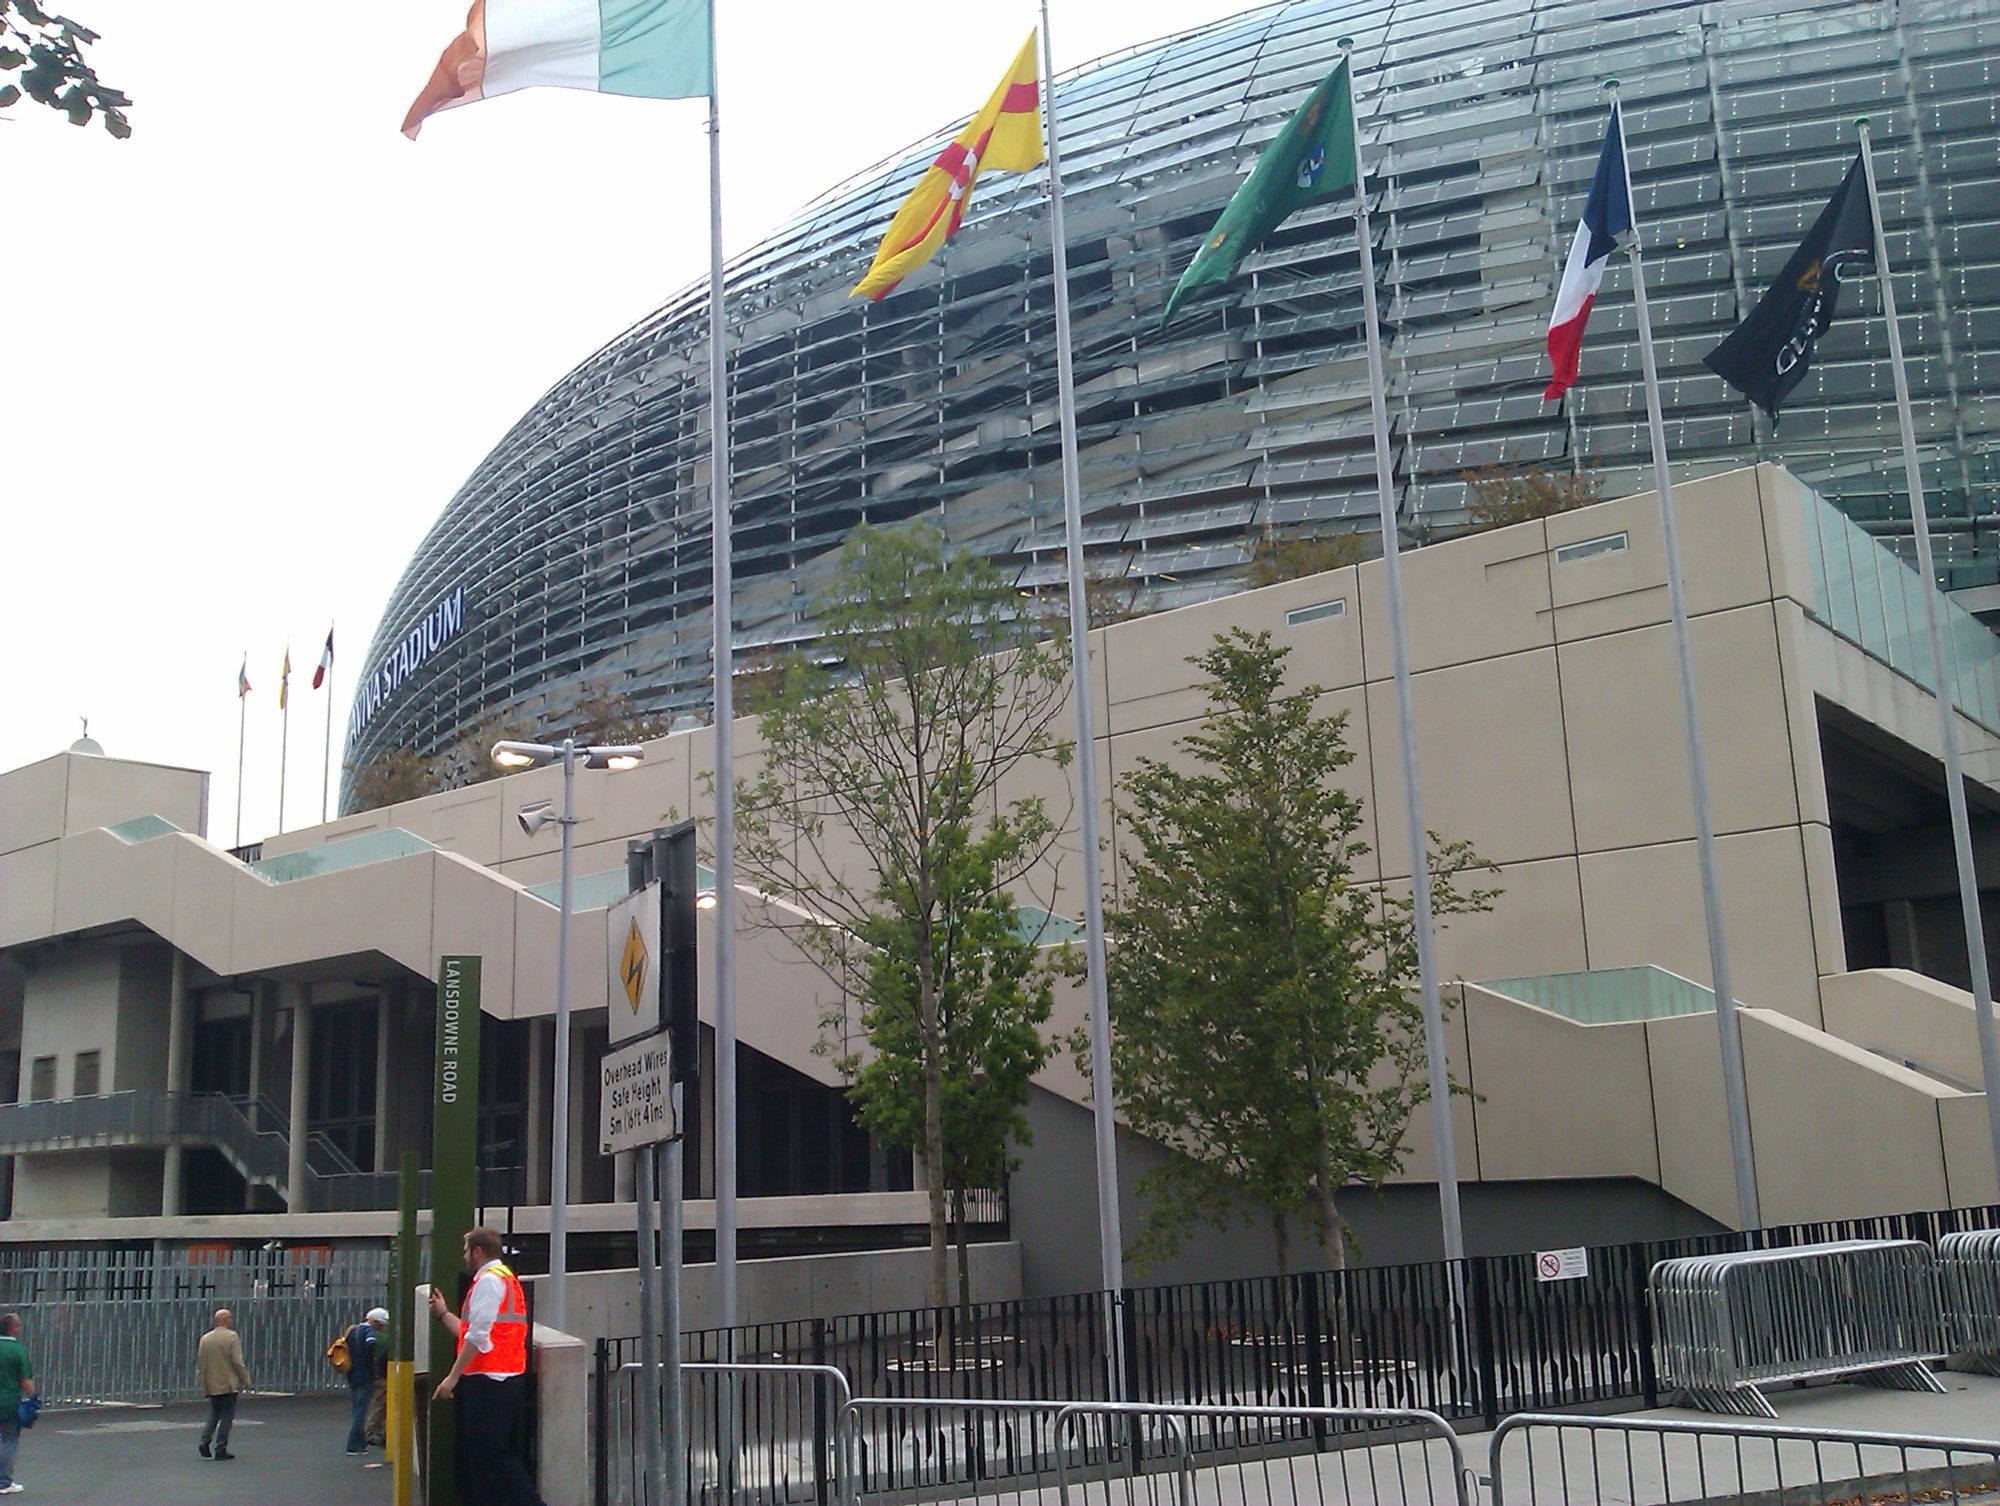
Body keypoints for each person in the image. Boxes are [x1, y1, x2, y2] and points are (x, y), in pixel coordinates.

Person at [428, 1228, 544, 1506]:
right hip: (501, 1374)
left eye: (466, 1249)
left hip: (489, 1378)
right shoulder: (504, 1279)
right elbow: (475, 1332)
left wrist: (451, 1378)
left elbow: (477, 1336)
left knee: (490, 1453)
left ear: (477, 1251)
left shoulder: (488, 1282)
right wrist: (444, 1314)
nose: (464, 1255)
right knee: (485, 1452)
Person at [196, 1308, 251, 1462]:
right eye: (230, 1317)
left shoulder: (205, 1338)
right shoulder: (232, 1337)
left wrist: (203, 1382)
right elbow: (237, 1362)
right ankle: (221, 1447)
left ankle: (204, 1441)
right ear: (226, 1319)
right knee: (227, 1416)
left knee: (214, 1413)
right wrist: (246, 1380)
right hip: (228, 1383)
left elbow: (201, 1362)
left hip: (212, 1383)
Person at [342, 1308, 387, 1455]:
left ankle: (359, 1443)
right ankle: (354, 1445)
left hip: (351, 1373)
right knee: (361, 1411)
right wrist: (372, 1362)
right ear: (374, 1321)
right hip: (365, 1375)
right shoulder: (369, 1332)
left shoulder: (352, 1331)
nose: (380, 1327)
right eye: (380, 1324)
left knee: (357, 1408)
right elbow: (370, 1344)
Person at [0, 1312, 35, 1496]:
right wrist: (33, 1398)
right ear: (13, 1329)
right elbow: (25, 1380)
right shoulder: (17, 1350)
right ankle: (3, 1481)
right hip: (8, 1401)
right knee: (9, 1440)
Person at [362, 1307, 390, 1448]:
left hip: (366, 1374)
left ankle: (374, 1432)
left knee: (376, 1404)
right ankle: (371, 1433)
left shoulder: (354, 1331)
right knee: (379, 1405)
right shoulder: (380, 1337)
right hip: (381, 1375)